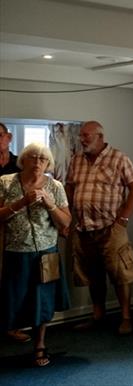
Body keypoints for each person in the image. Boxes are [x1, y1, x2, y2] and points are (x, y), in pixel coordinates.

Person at [66, 121, 133, 335]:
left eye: (86, 135)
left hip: (111, 229)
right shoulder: (76, 160)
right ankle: (98, 316)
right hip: (83, 229)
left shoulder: (119, 158)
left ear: (100, 136)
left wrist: (123, 219)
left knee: (120, 275)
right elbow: (70, 186)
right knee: (93, 275)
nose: (82, 139)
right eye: (81, 135)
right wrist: (71, 211)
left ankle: (126, 318)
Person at [0, 143, 72, 367]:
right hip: (16, 252)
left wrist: (50, 205)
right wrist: (23, 202)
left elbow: (66, 222)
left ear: (48, 163)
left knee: (43, 301)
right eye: (34, 158)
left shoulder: (56, 186)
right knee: (12, 301)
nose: (38, 163)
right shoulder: (6, 182)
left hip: (46, 254)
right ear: (24, 160)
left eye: (43, 159)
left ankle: (39, 345)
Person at [0, 122, 31, 343]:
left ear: (8, 137)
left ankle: (11, 326)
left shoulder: (19, 165)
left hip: (13, 231)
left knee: (11, 281)